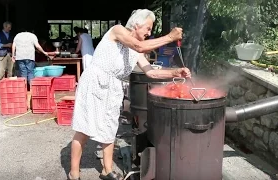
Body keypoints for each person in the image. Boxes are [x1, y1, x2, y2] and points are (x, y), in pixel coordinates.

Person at [68, 9, 191, 180]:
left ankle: (107, 170)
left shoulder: (136, 50)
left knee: (109, 127)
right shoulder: (118, 31)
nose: (149, 33)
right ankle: (74, 173)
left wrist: (176, 72)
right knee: (85, 128)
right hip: (95, 81)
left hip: (113, 86)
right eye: (148, 28)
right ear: (136, 24)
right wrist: (170, 37)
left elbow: (151, 73)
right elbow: (139, 45)